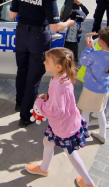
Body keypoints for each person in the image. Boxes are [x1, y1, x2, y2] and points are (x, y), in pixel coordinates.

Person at [9, 0, 75, 128]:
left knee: (22, 71)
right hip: (39, 37)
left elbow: (11, 15)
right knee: (34, 77)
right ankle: (25, 116)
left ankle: (19, 102)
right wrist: (68, 23)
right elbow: (55, 27)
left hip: (22, 34)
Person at [25, 48, 95, 187]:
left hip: (63, 126)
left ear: (58, 66)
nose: (44, 62)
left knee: (71, 154)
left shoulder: (59, 85)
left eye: (47, 61)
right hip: (63, 123)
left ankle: (88, 182)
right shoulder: (61, 77)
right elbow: (59, 102)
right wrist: (48, 98)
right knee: (47, 141)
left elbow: (57, 111)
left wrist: (40, 102)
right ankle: (44, 168)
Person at [77, 27, 109, 144]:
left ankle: (82, 134)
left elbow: (83, 61)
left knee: (85, 111)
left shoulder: (95, 54)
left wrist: (87, 48)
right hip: (104, 89)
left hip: (90, 88)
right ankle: (102, 134)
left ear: (102, 42)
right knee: (100, 111)